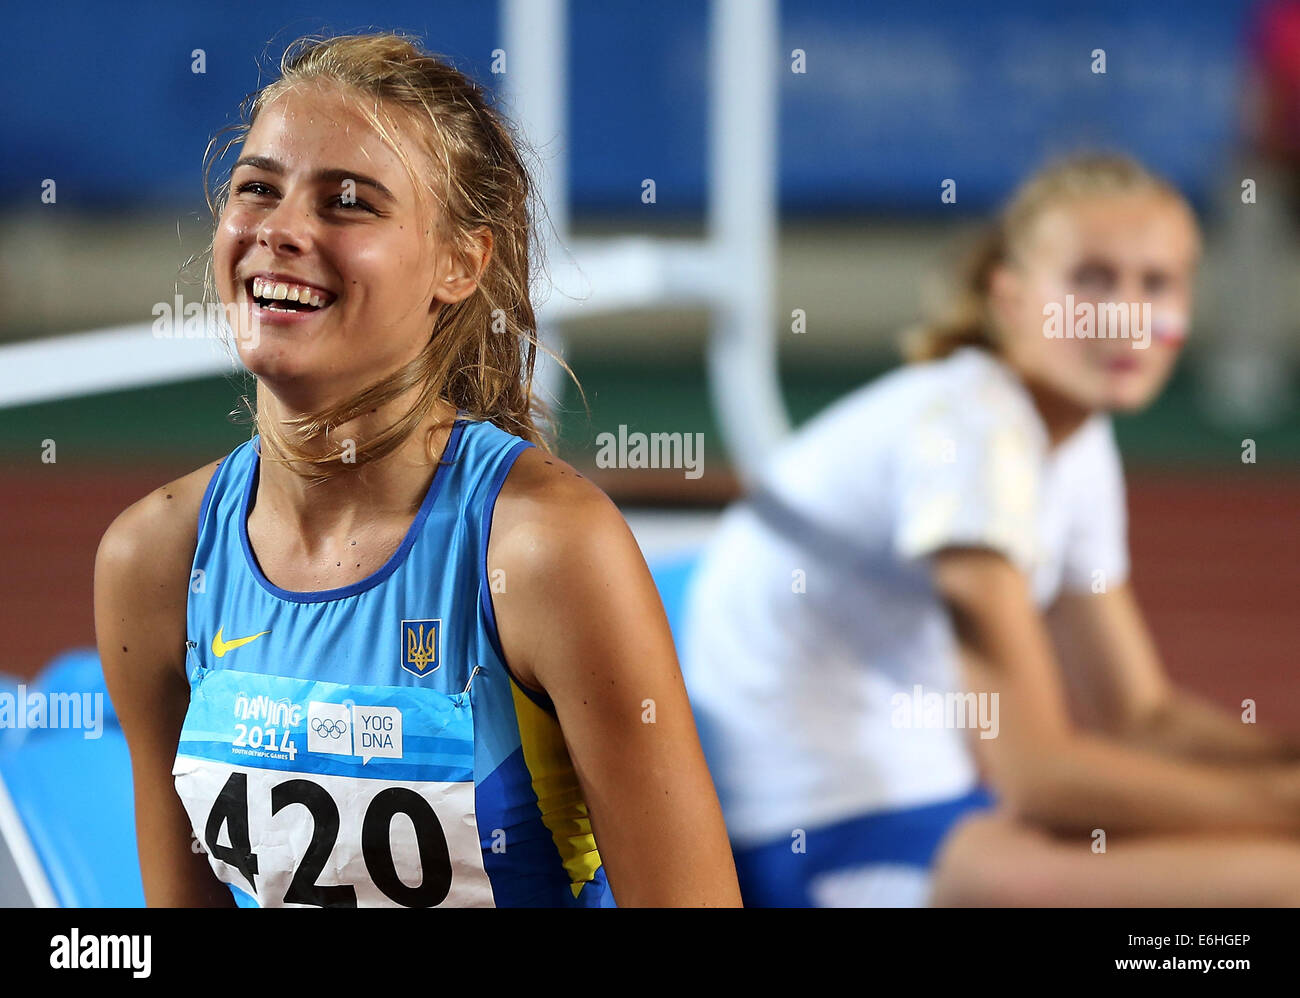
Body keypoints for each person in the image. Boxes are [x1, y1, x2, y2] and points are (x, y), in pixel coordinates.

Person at [94, 31, 740, 908]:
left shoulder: (547, 551)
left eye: (348, 202)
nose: (281, 231)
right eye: (258, 189)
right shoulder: (155, 557)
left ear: (458, 263)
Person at [680, 153, 1300, 907]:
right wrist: (1279, 804)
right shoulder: (972, 431)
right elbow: (1039, 774)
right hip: (811, 846)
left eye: (1157, 284)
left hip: (936, 812)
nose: (1126, 314)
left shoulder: (1074, 439)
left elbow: (1140, 716)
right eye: (1091, 280)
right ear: (1008, 296)